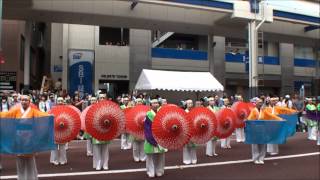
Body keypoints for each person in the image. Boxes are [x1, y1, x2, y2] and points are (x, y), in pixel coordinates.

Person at [0, 95, 48, 180]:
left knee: (30, 160)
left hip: (30, 137)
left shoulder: (33, 111)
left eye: (26, 100)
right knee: (20, 159)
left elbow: (42, 115)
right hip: (18, 137)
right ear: (20, 101)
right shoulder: (16, 111)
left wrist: (50, 115)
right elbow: (6, 115)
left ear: (29, 102)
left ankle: (32, 178)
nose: (24, 102)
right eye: (22, 100)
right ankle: (21, 178)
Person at [144, 98, 166, 178]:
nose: (156, 104)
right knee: (150, 156)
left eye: (157, 103)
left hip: (161, 137)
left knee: (161, 155)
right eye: (153, 103)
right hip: (151, 137)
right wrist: (152, 139)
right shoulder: (148, 114)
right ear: (150, 105)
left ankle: (159, 170)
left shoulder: (161, 113)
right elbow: (147, 128)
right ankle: (150, 171)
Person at [92, 94, 111, 170]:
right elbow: (91, 119)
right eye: (101, 98)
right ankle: (98, 164)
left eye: (103, 97)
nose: (102, 99)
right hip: (96, 130)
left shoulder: (108, 108)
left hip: (105, 130)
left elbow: (112, 118)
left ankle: (105, 164)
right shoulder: (94, 108)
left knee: (105, 149)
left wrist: (108, 121)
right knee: (96, 149)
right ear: (98, 99)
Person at [247, 98, 267, 164]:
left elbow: (270, 116)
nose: (260, 104)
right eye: (259, 102)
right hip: (255, 129)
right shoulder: (253, 110)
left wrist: (280, 119)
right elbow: (250, 119)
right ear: (256, 103)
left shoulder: (264, 110)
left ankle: (261, 158)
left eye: (261, 102)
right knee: (255, 145)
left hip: (263, 129)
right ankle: (255, 158)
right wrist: (247, 121)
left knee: (263, 144)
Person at [50, 97, 68, 166]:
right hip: (54, 128)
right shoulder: (53, 109)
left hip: (63, 128)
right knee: (54, 146)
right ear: (56, 102)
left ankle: (63, 160)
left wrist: (63, 123)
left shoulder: (66, 109)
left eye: (61, 101)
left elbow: (68, 118)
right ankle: (54, 160)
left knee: (62, 146)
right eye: (59, 101)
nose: (60, 102)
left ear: (63, 101)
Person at [132, 98, 147, 162]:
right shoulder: (132, 110)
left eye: (140, 101)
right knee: (135, 146)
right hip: (135, 128)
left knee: (143, 144)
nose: (139, 103)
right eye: (138, 101)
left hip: (143, 128)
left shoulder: (146, 109)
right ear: (135, 102)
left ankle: (143, 157)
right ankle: (136, 157)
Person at [183, 99, 197, 165]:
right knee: (186, 146)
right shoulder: (184, 112)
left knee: (193, 146)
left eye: (191, 103)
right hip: (186, 131)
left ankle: (194, 158)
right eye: (189, 103)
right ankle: (186, 159)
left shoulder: (194, 111)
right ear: (186, 104)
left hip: (194, 130)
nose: (190, 104)